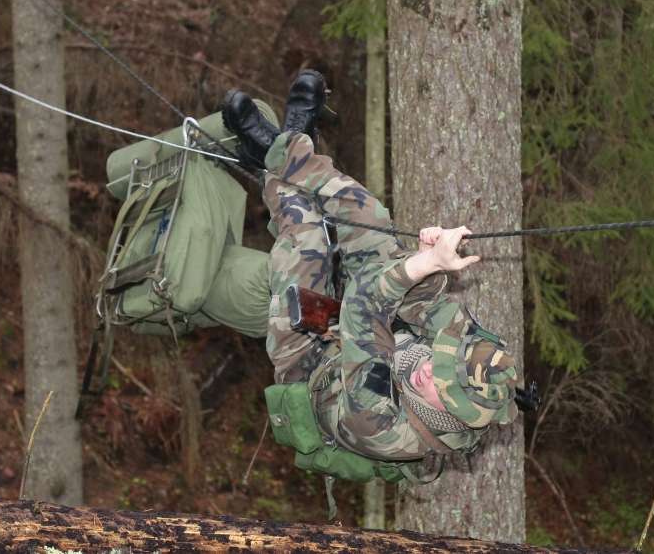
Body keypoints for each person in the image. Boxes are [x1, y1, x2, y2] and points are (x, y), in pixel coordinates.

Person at [221, 70, 526, 469]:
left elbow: (363, 306)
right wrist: (427, 265)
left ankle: (278, 150)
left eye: (438, 384)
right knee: (369, 216)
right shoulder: (466, 354)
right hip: (374, 324)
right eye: (440, 362)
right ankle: (289, 146)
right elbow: (423, 306)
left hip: (311, 360)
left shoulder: (380, 425)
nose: (428, 370)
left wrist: (422, 264)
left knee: (308, 234)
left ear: (452, 414)